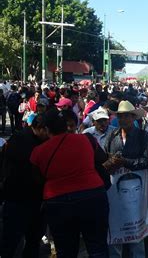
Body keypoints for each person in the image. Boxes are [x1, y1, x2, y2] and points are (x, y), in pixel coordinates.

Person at [30, 109, 109, 257]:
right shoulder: (87, 139)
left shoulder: (38, 152)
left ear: (47, 129)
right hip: (93, 196)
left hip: (57, 201)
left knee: (65, 250)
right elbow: (102, 158)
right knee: (97, 247)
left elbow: (37, 180)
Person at [103, 100, 148, 258]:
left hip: (136, 193)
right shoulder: (112, 135)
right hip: (116, 192)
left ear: (133, 117)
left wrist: (124, 162)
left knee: (136, 230)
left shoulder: (144, 136)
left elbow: (145, 162)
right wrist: (110, 163)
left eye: (126, 116)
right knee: (116, 227)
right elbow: (104, 158)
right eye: (120, 116)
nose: (123, 119)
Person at [1, 114, 48, 258]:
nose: (49, 135)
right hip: (18, 199)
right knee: (11, 242)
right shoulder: (20, 140)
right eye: (46, 131)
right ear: (39, 128)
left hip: (34, 200)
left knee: (32, 241)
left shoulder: (34, 140)